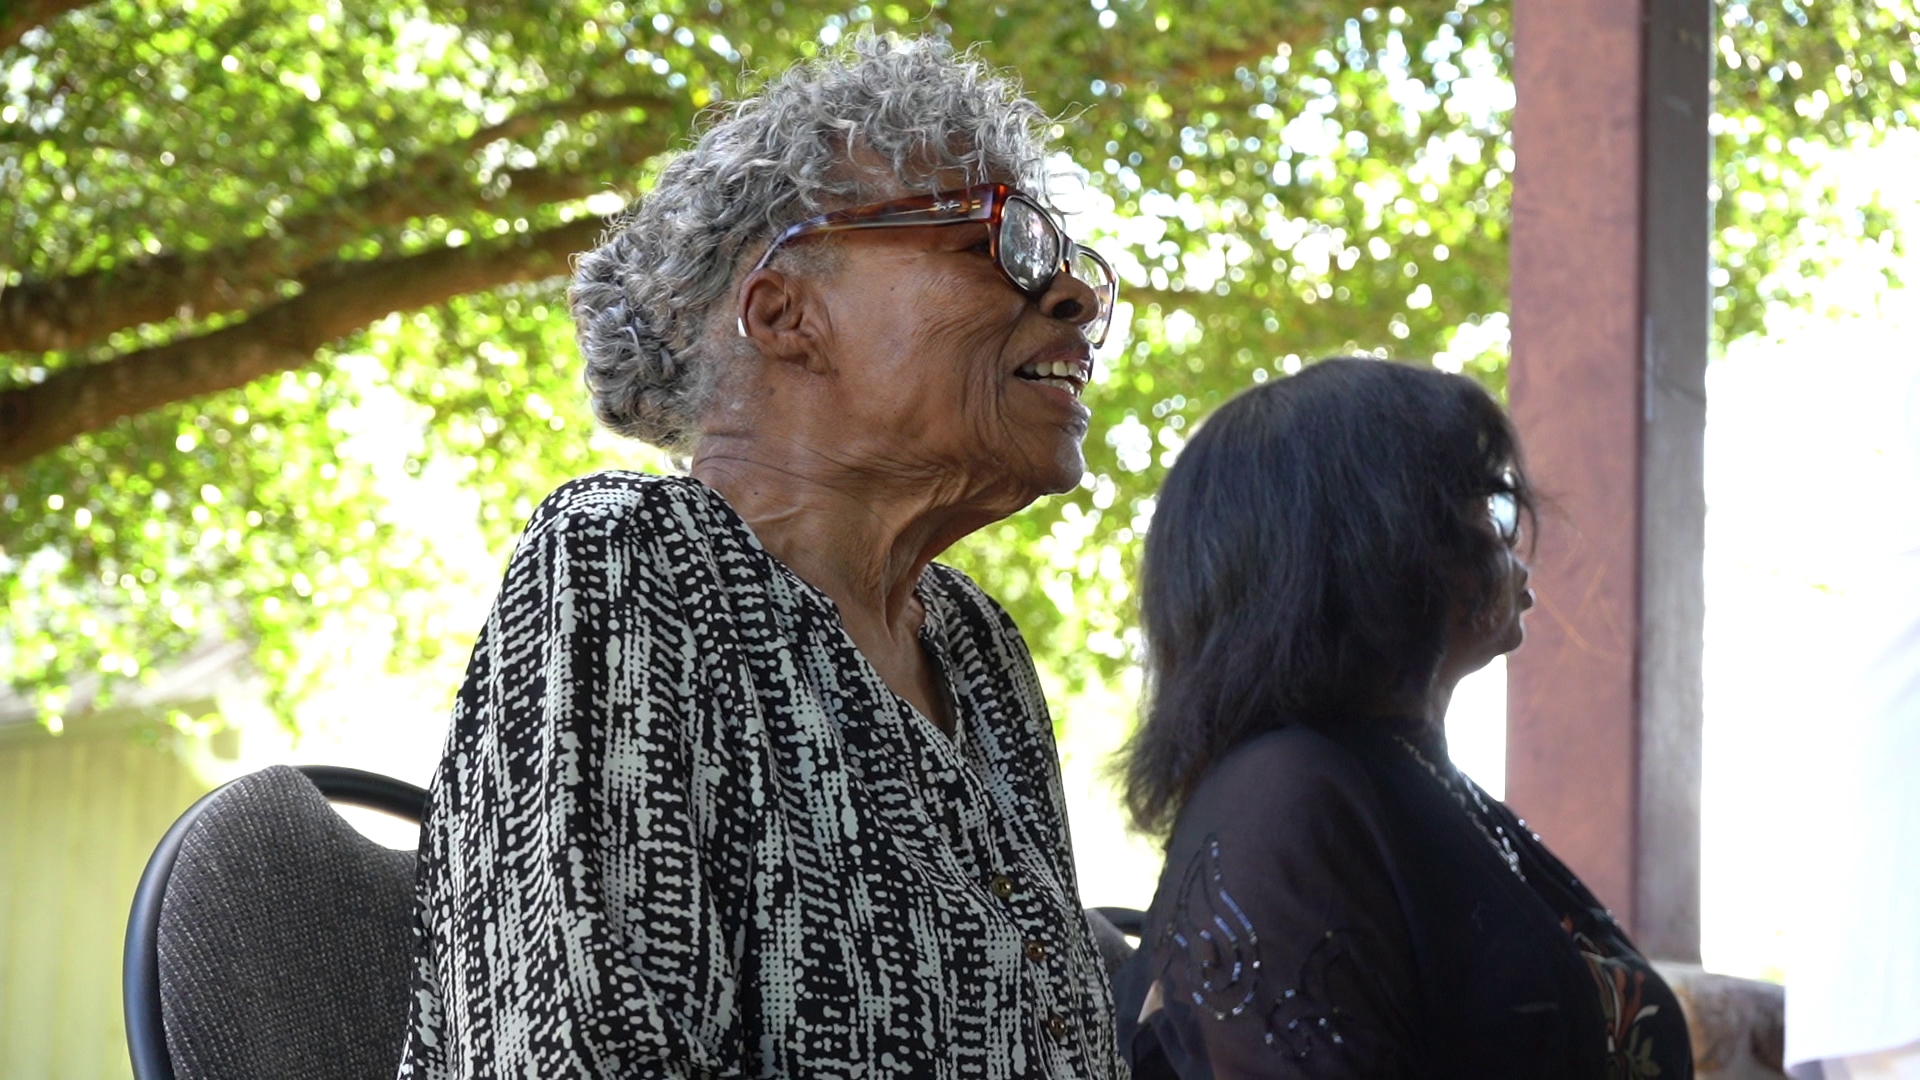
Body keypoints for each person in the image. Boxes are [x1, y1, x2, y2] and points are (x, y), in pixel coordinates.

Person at [396, 36, 1124, 1079]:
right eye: (996, 239)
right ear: (785, 313)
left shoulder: (979, 654)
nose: (1072, 296)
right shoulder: (629, 567)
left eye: (1063, 258)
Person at [1113, 358, 1694, 1079]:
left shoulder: (1416, 782)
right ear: (1372, 541)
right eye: (1485, 504)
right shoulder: (1283, 796)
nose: (1510, 540)